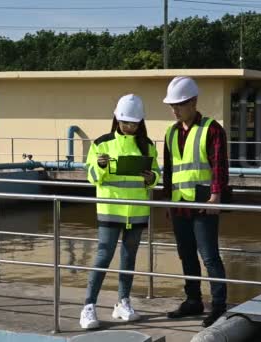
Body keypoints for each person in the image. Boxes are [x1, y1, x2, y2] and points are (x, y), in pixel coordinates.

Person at [79, 94, 160, 330]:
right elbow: (91, 176)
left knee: (129, 258)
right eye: (126, 122)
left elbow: (156, 175)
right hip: (110, 209)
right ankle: (88, 306)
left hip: (137, 211)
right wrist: (101, 167)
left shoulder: (148, 146)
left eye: (134, 123)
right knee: (103, 256)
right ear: (117, 119)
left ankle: (122, 302)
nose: (130, 127)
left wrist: (151, 178)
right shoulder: (101, 143)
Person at [162, 76, 229, 327]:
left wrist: (215, 196)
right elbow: (169, 170)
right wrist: (167, 200)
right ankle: (193, 301)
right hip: (179, 202)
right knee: (186, 254)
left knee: (209, 255)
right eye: (172, 105)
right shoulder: (171, 133)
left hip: (204, 200)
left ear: (193, 102)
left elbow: (219, 165)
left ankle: (219, 305)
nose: (174, 109)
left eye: (179, 104)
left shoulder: (211, 129)